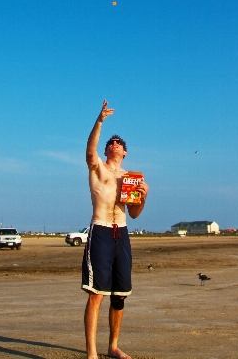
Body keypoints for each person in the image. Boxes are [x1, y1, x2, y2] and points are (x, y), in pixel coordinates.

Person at [82, 100, 149, 359]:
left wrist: (143, 197)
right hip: (100, 231)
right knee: (96, 294)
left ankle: (113, 346)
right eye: (111, 142)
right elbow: (90, 152)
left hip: (121, 233)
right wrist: (99, 121)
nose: (114, 144)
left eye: (119, 143)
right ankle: (92, 353)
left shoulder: (130, 178)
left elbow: (133, 213)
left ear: (125, 153)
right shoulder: (98, 168)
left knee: (119, 295)